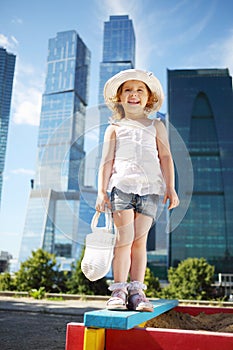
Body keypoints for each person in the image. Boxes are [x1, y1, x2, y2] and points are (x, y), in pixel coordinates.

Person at [95, 69, 179, 312]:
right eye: (128, 90)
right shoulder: (113, 128)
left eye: (139, 90)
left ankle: (137, 291)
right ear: (119, 98)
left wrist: (170, 187)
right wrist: (101, 192)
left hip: (151, 190)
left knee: (139, 244)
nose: (134, 94)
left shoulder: (157, 125)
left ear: (148, 98)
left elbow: (165, 156)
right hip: (121, 187)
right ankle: (119, 290)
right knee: (124, 241)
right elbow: (106, 161)